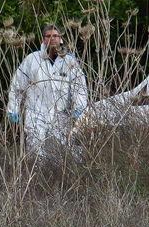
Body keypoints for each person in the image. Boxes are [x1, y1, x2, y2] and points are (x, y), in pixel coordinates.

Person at [7, 25, 88, 155]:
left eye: (55, 36)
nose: (52, 39)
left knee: (60, 151)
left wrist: (80, 108)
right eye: (48, 36)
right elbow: (17, 85)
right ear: (43, 39)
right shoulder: (32, 60)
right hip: (36, 113)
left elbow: (79, 87)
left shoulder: (69, 61)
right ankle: (36, 175)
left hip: (61, 115)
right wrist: (13, 109)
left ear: (60, 38)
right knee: (35, 151)